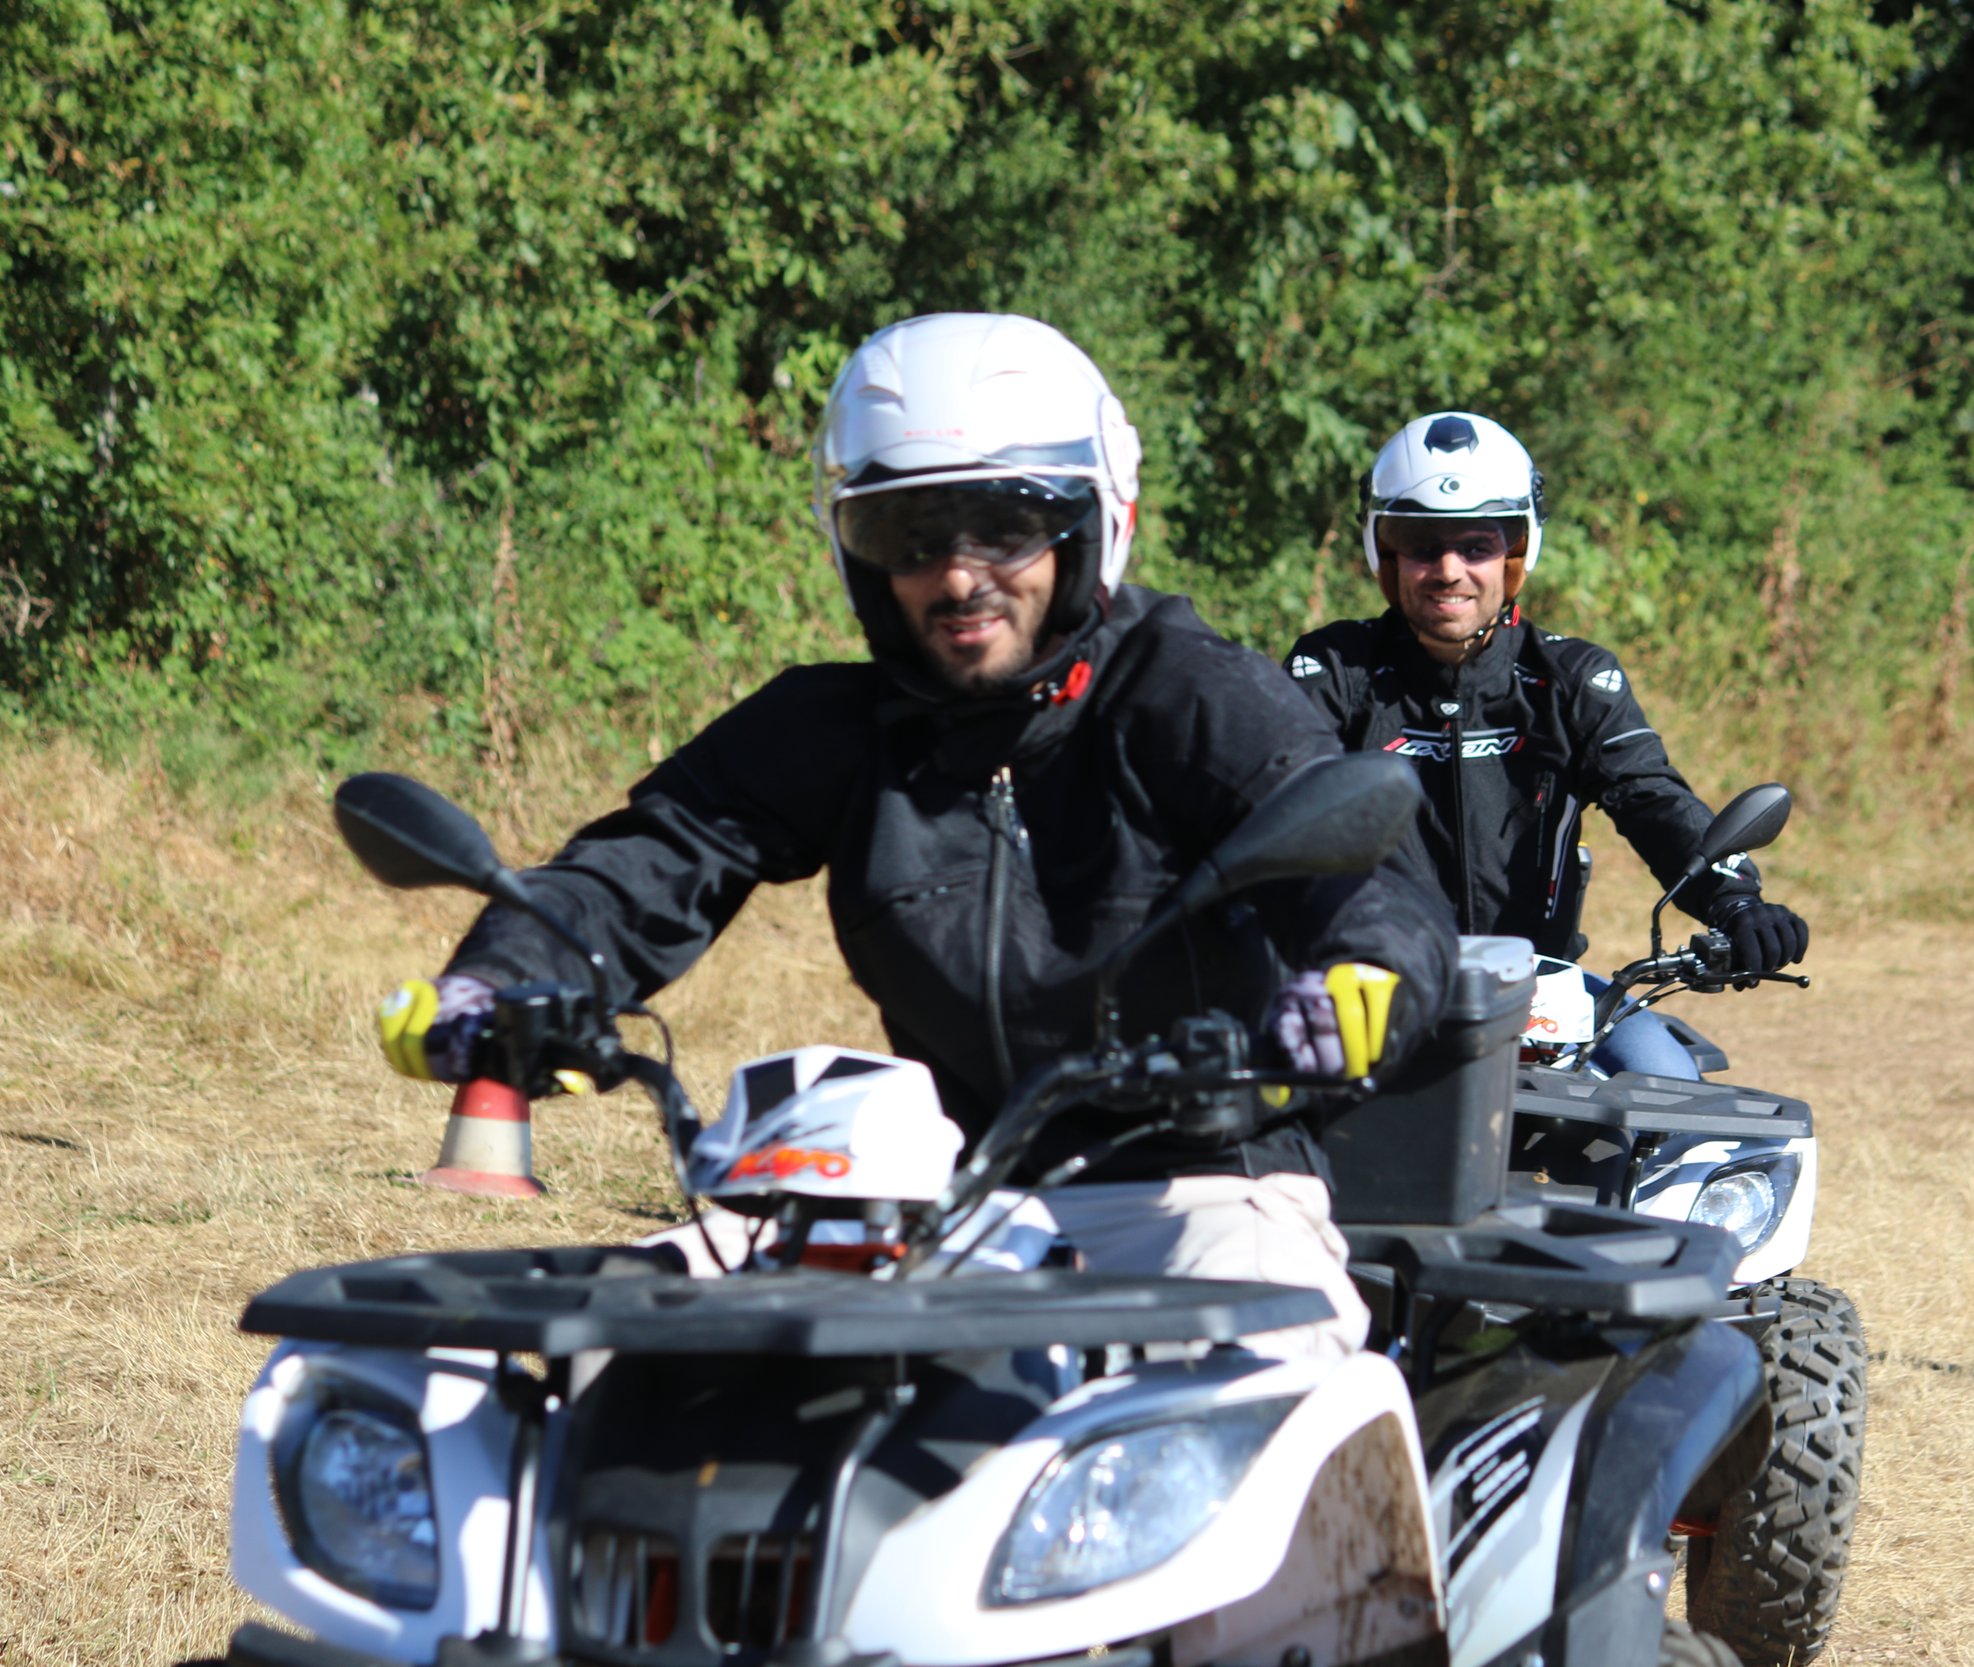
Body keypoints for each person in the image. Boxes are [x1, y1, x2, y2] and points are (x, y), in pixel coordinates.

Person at [374, 313, 1453, 1357]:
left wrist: (1361, 976)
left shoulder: (1191, 693)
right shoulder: (842, 726)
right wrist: (504, 978)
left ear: (1090, 523)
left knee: (1261, 1368)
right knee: (631, 1358)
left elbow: (1366, 875)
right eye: (912, 535)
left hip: (1204, 1188)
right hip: (943, 1193)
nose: (958, 575)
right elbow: (643, 865)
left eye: (1005, 526)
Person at [1282, 410, 1803, 1080]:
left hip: (1540, 993)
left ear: (1517, 553)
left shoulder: (1572, 678)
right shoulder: (1333, 671)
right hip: (1367, 993)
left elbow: (1651, 798)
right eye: (1421, 545)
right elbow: (1267, 794)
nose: (1448, 570)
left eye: (1477, 546)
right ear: (1384, 553)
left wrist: (1736, 901)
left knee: (1673, 1092)